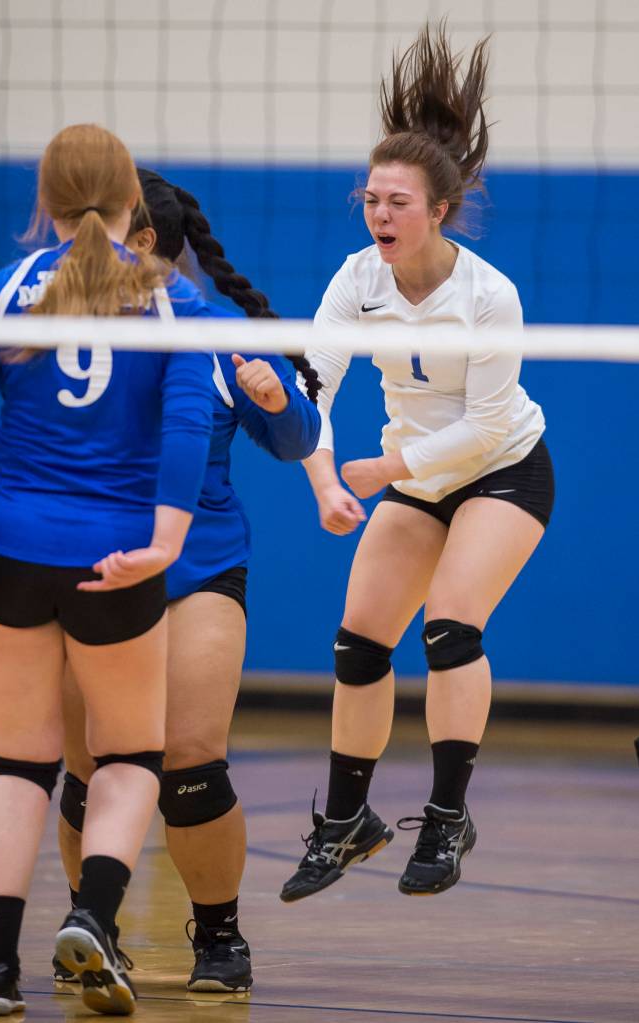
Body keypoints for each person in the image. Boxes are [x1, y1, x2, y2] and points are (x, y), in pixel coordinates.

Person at [280, 22, 554, 904]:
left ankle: (444, 816)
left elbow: (481, 427)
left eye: (397, 202)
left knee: (447, 630)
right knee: (358, 645)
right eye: (370, 199)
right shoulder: (356, 277)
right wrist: (323, 473)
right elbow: (308, 386)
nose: (379, 215)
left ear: (438, 209)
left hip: (500, 468)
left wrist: (377, 469)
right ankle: (346, 823)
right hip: (410, 474)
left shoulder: (488, 294)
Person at [54, 169, 321, 995]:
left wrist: (276, 398)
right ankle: (89, 923)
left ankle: (220, 936)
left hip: (197, 566)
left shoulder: (217, 335)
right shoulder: (70, 331)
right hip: (90, 567)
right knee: (86, 767)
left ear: (144, 245)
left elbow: (295, 438)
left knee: (192, 761)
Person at [0, 125, 218, 1016]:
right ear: (135, 205)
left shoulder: (4, 292)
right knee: (128, 754)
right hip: (115, 557)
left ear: (43, 203)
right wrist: (163, 546)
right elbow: (187, 423)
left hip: (10, 547)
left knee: (17, 761)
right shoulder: (174, 304)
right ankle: (91, 913)